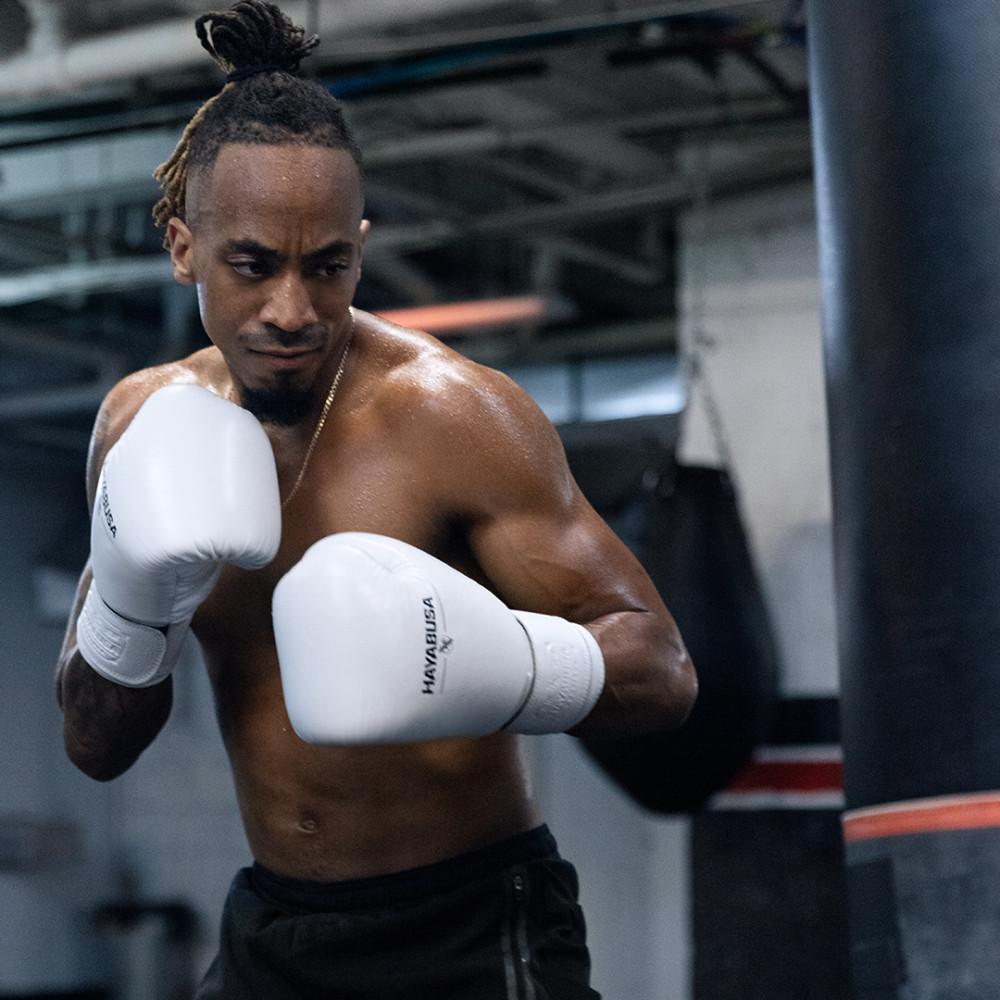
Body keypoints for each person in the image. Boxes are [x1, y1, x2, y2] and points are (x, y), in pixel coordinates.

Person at [55, 2, 697, 997]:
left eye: (329, 267)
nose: (293, 310)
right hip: (275, 930)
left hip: (471, 924)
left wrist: (502, 663)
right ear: (183, 246)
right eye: (252, 265)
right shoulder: (141, 425)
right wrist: (137, 608)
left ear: (359, 246)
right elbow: (94, 745)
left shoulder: (455, 417)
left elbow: (662, 670)